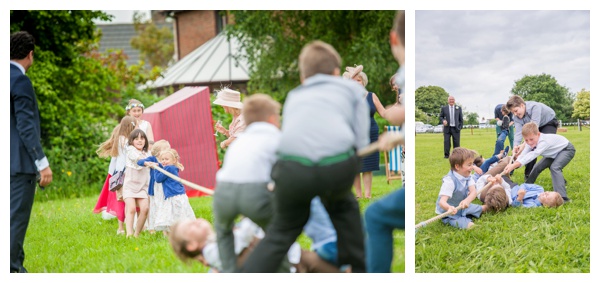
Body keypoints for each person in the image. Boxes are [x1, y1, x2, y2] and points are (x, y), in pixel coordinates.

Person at [239, 40, 370, 273]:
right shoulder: (353, 90)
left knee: (282, 231)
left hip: (291, 170)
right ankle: (359, 268)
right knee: (345, 213)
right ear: (336, 73)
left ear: (303, 77)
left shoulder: (294, 95)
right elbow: (360, 140)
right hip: (335, 166)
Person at [213, 93, 282, 272]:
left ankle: (229, 271)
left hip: (223, 191)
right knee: (277, 233)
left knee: (223, 234)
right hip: (252, 191)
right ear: (273, 118)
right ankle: (285, 271)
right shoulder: (274, 136)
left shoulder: (242, 139)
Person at [364, 10, 406, 273]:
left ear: (393, 39)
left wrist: (397, 132)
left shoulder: (404, 71)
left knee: (374, 215)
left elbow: (396, 113)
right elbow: (397, 114)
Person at [10, 31, 53, 273]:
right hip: (17, 165)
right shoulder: (20, 81)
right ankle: (13, 270)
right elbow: (25, 126)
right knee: (15, 219)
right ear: (30, 54)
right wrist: (42, 162)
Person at [169, 217, 339, 273]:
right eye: (190, 226)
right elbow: (242, 239)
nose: (196, 221)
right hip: (287, 264)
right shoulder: (212, 252)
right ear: (191, 245)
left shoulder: (223, 237)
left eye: (193, 220)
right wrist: (252, 214)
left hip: (294, 255)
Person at [344, 65, 390, 199]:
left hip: (371, 132)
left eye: (359, 80)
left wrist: (399, 107)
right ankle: (358, 195)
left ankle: (367, 195)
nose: (356, 82)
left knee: (368, 165)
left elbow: (384, 113)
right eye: (354, 80)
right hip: (353, 133)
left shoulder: (371, 96)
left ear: (363, 82)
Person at [502, 122, 575, 202]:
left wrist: (514, 165)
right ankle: (526, 186)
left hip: (566, 150)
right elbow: (524, 154)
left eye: (531, 139)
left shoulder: (544, 141)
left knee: (554, 167)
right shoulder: (529, 142)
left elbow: (533, 154)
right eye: (526, 140)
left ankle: (562, 197)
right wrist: (514, 163)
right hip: (553, 153)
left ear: (538, 134)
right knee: (537, 167)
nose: (529, 142)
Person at [94, 116, 138, 234]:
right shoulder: (125, 141)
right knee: (124, 200)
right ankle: (123, 227)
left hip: (119, 173)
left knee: (121, 200)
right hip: (124, 174)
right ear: (131, 126)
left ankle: (122, 227)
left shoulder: (120, 139)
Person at [505, 95, 559, 179]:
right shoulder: (515, 117)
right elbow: (518, 132)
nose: (515, 114)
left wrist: (524, 145)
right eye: (513, 112)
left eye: (516, 110)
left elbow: (534, 128)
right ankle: (528, 175)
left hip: (548, 123)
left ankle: (558, 175)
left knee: (545, 147)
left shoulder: (534, 107)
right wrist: (515, 147)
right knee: (531, 147)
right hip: (534, 127)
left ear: (522, 105)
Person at [436, 147, 489, 229]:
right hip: (450, 213)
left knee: (484, 208)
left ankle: (481, 209)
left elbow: (473, 192)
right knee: (470, 226)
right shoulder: (450, 181)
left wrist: (467, 200)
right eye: (469, 164)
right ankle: (465, 221)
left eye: (472, 164)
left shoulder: (468, 176)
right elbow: (442, 202)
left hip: (463, 207)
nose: (472, 167)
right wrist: (449, 208)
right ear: (457, 166)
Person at [151, 148, 196, 233]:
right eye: (162, 159)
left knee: (173, 215)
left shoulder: (169, 168)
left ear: (174, 160)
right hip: (177, 194)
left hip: (174, 196)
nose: (164, 161)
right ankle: (179, 231)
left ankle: (178, 231)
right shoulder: (171, 167)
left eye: (166, 159)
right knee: (177, 215)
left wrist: (156, 169)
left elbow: (158, 179)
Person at [137, 139, 171, 234]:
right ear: (159, 151)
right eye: (167, 149)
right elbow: (140, 162)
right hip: (156, 189)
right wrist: (148, 163)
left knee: (165, 208)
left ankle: (167, 229)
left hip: (166, 189)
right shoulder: (153, 159)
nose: (169, 151)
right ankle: (156, 229)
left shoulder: (168, 160)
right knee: (156, 208)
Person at [123, 129, 151, 237]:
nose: (139, 141)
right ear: (132, 141)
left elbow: (154, 159)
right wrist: (144, 162)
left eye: (142, 138)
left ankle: (136, 234)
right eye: (136, 138)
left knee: (145, 209)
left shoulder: (147, 153)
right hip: (130, 186)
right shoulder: (130, 150)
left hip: (142, 187)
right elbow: (136, 158)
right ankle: (129, 234)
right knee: (131, 209)